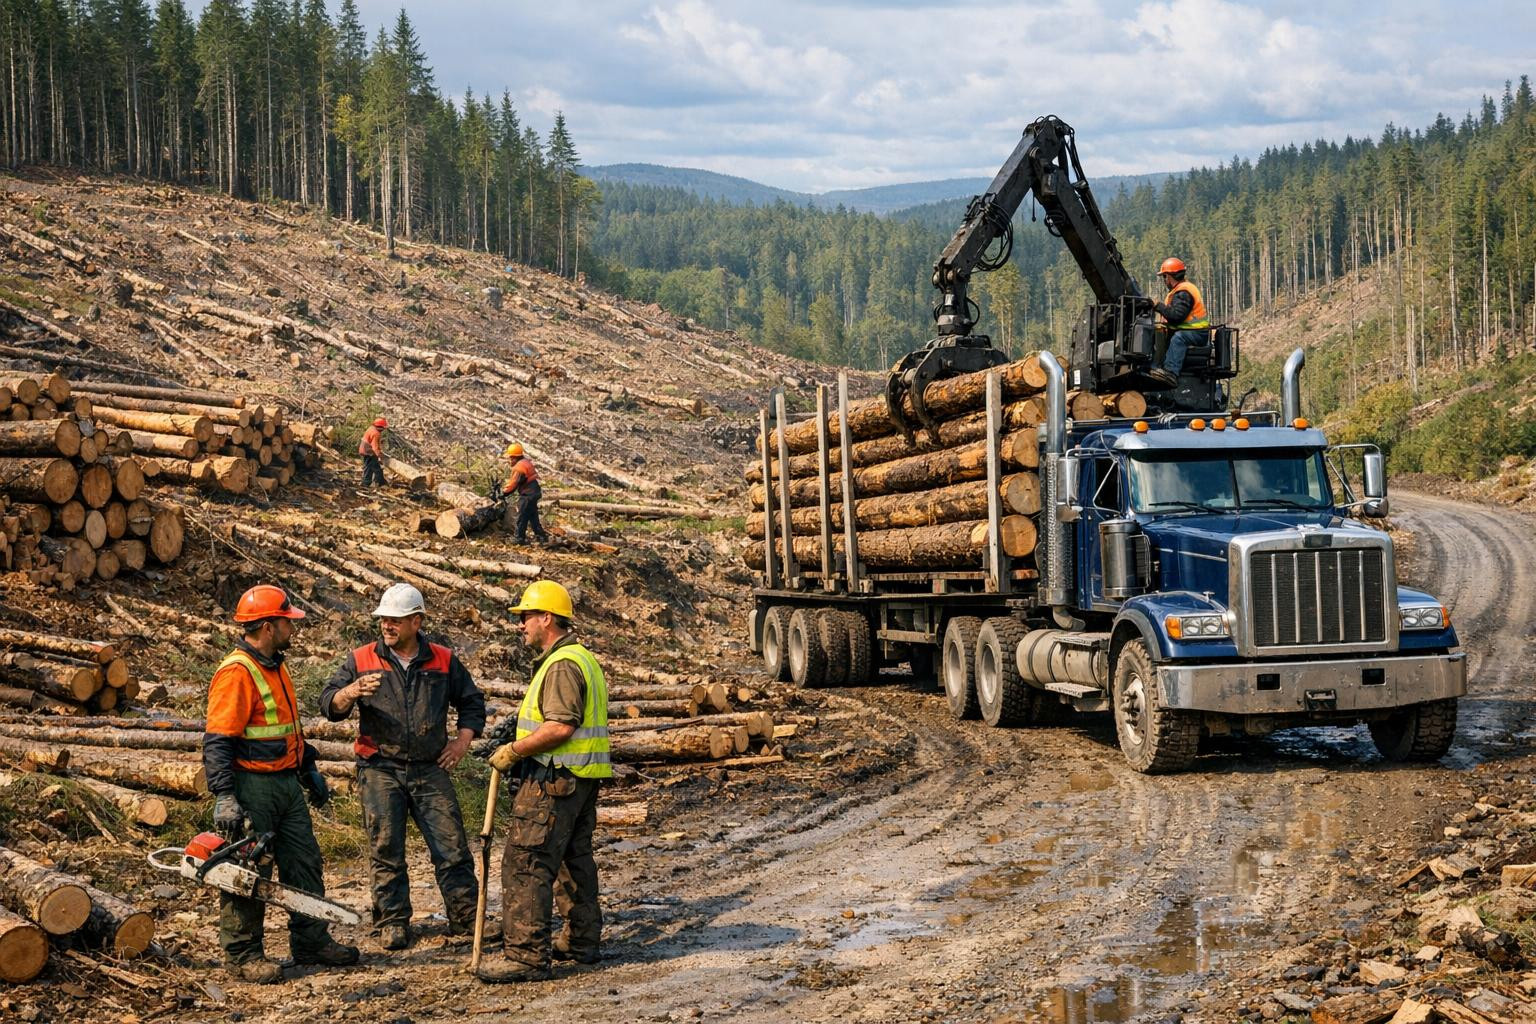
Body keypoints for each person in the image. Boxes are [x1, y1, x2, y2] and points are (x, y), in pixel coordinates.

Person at [203, 584, 360, 984]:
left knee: (304, 862)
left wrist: (308, 768)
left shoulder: (276, 663)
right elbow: (219, 739)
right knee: (248, 869)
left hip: (286, 781)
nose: (293, 628)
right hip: (251, 785)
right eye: (286, 622)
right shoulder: (237, 672)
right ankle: (242, 953)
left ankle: (311, 940)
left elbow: (288, 728)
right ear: (268, 626)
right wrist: (224, 795)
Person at [320, 583, 488, 951]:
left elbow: (473, 704)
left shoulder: (443, 659)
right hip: (379, 768)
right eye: (383, 620)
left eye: (395, 621)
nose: (387, 627)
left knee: (452, 847)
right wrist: (349, 693)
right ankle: (392, 921)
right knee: (385, 847)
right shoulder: (361, 658)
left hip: (430, 768)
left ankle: (466, 918)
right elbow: (328, 702)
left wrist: (461, 743)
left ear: (417, 621)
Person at [478, 580, 610, 984]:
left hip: (555, 780)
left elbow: (560, 726)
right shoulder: (581, 658)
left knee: (526, 862)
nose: (521, 625)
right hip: (581, 780)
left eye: (526, 617)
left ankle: (526, 956)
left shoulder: (563, 665)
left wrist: (515, 751)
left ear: (547, 618)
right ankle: (581, 940)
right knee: (574, 861)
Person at [1147, 257, 1211, 386]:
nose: (1164, 281)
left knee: (1178, 338)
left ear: (1170, 276)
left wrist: (1157, 306)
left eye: (1164, 277)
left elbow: (1176, 316)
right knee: (1161, 334)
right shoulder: (1180, 290)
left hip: (1197, 334)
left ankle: (1171, 372)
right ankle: (1155, 368)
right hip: (1191, 331)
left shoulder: (1183, 292)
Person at [501, 442, 548, 544]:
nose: (509, 461)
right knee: (532, 516)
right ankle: (541, 537)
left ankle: (519, 538)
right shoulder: (525, 462)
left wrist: (503, 493)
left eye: (510, 458)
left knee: (522, 515)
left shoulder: (519, 468)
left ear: (514, 457)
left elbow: (513, 484)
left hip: (528, 494)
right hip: (534, 491)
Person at [360, 417, 387, 487]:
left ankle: (380, 482)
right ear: (380, 427)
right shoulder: (376, 433)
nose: (383, 430)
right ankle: (367, 483)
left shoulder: (371, 428)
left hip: (364, 449)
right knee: (372, 468)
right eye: (383, 428)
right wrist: (380, 456)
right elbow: (375, 447)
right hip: (369, 451)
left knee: (372, 467)